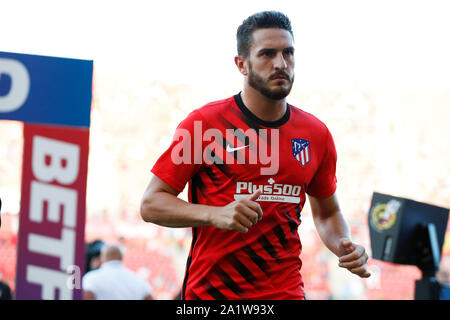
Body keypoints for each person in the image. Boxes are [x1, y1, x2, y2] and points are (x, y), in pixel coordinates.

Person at [140, 11, 370, 300]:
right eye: (267, 54)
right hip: (212, 296)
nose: (281, 63)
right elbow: (151, 204)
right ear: (242, 64)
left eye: (288, 53)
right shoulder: (203, 125)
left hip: (286, 294)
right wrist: (214, 214)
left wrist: (343, 244)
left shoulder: (316, 133)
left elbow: (328, 212)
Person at [82, 243, 153, 300]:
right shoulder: (139, 280)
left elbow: (87, 296)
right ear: (121, 257)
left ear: (102, 258)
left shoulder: (91, 278)